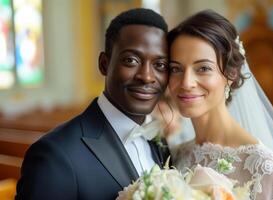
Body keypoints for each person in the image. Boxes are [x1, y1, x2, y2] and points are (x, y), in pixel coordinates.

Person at [15, 8, 170, 200]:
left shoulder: (160, 141)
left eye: (160, 65)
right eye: (131, 60)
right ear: (104, 64)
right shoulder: (55, 155)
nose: (146, 76)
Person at [168, 10, 273, 199]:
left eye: (203, 68)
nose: (186, 82)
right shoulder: (176, 155)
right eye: (176, 69)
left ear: (231, 74)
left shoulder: (267, 170)